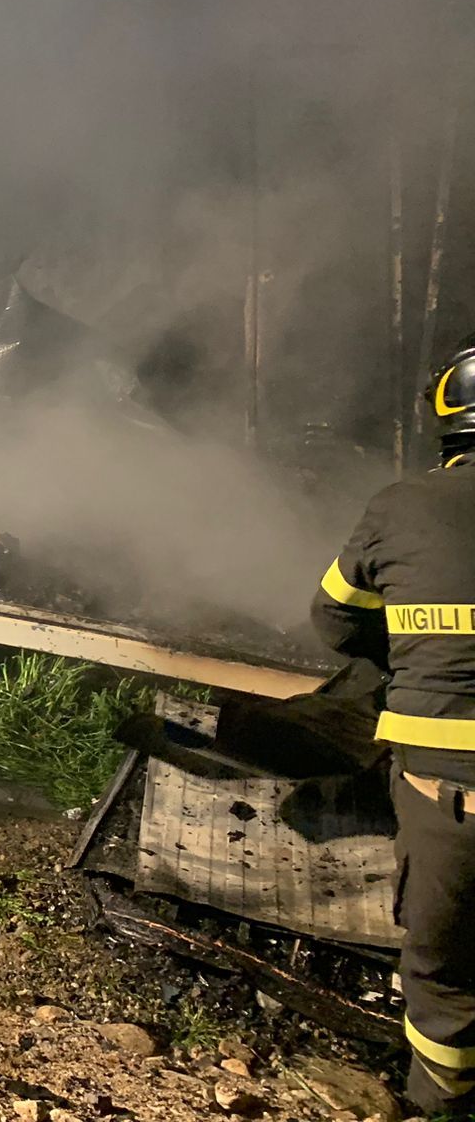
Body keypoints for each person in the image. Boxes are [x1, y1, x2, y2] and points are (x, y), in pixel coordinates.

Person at [312, 336, 475, 1116]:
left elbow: (335, 622)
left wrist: (410, 650)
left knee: (443, 982)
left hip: (449, 793)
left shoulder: (401, 505)